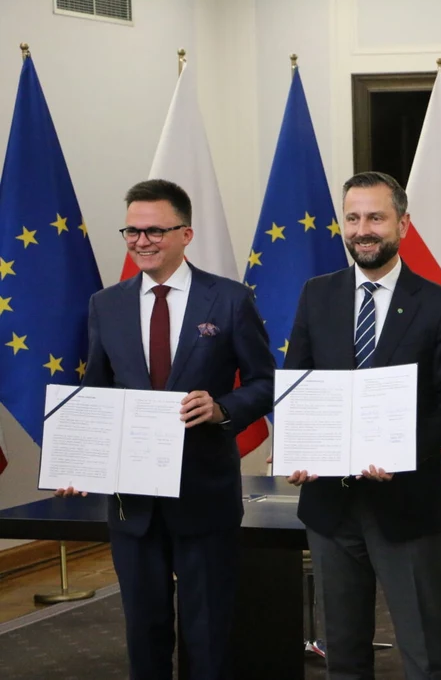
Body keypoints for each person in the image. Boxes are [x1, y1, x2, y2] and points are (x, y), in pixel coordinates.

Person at [56, 179, 276, 679]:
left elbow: (266, 382)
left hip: (203, 494)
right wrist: (78, 460)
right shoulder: (105, 305)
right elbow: (96, 393)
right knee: (144, 630)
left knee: (206, 632)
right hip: (131, 502)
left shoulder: (229, 300)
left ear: (186, 234)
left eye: (155, 230)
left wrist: (222, 408)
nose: (141, 241)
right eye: (132, 231)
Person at [283, 171, 441, 680]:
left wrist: (400, 450)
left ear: (403, 224)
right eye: (352, 217)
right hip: (330, 506)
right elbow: (298, 388)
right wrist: (297, 447)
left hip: (407, 505)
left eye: (375, 217)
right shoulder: (316, 295)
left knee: (424, 653)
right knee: (342, 655)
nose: (363, 229)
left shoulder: (437, 303)